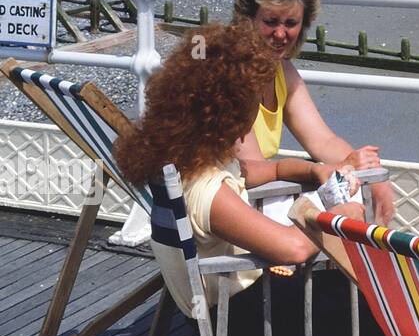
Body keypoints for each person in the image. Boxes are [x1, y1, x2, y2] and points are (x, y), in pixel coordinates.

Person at [115, 23, 364, 307]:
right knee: (375, 304)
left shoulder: (188, 161)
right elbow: (293, 248)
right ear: (231, 110)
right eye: (254, 100)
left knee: (365, 298)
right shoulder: (207, 190)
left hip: (239, 302)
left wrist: (313, 169)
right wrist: (341, 215)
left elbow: (256, 171)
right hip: (243, 321)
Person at [230, 0, 396, 224]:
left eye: (291, 22)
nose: (281, 34)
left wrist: (370, 173)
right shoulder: (231, 74)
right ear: (248, 18)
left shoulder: (281, 71)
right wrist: (324, 171)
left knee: (348, 189)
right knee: (341, 201)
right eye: (271, 21)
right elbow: (249, 171)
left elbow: (323, 141)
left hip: (256, 194)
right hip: (229, 203)